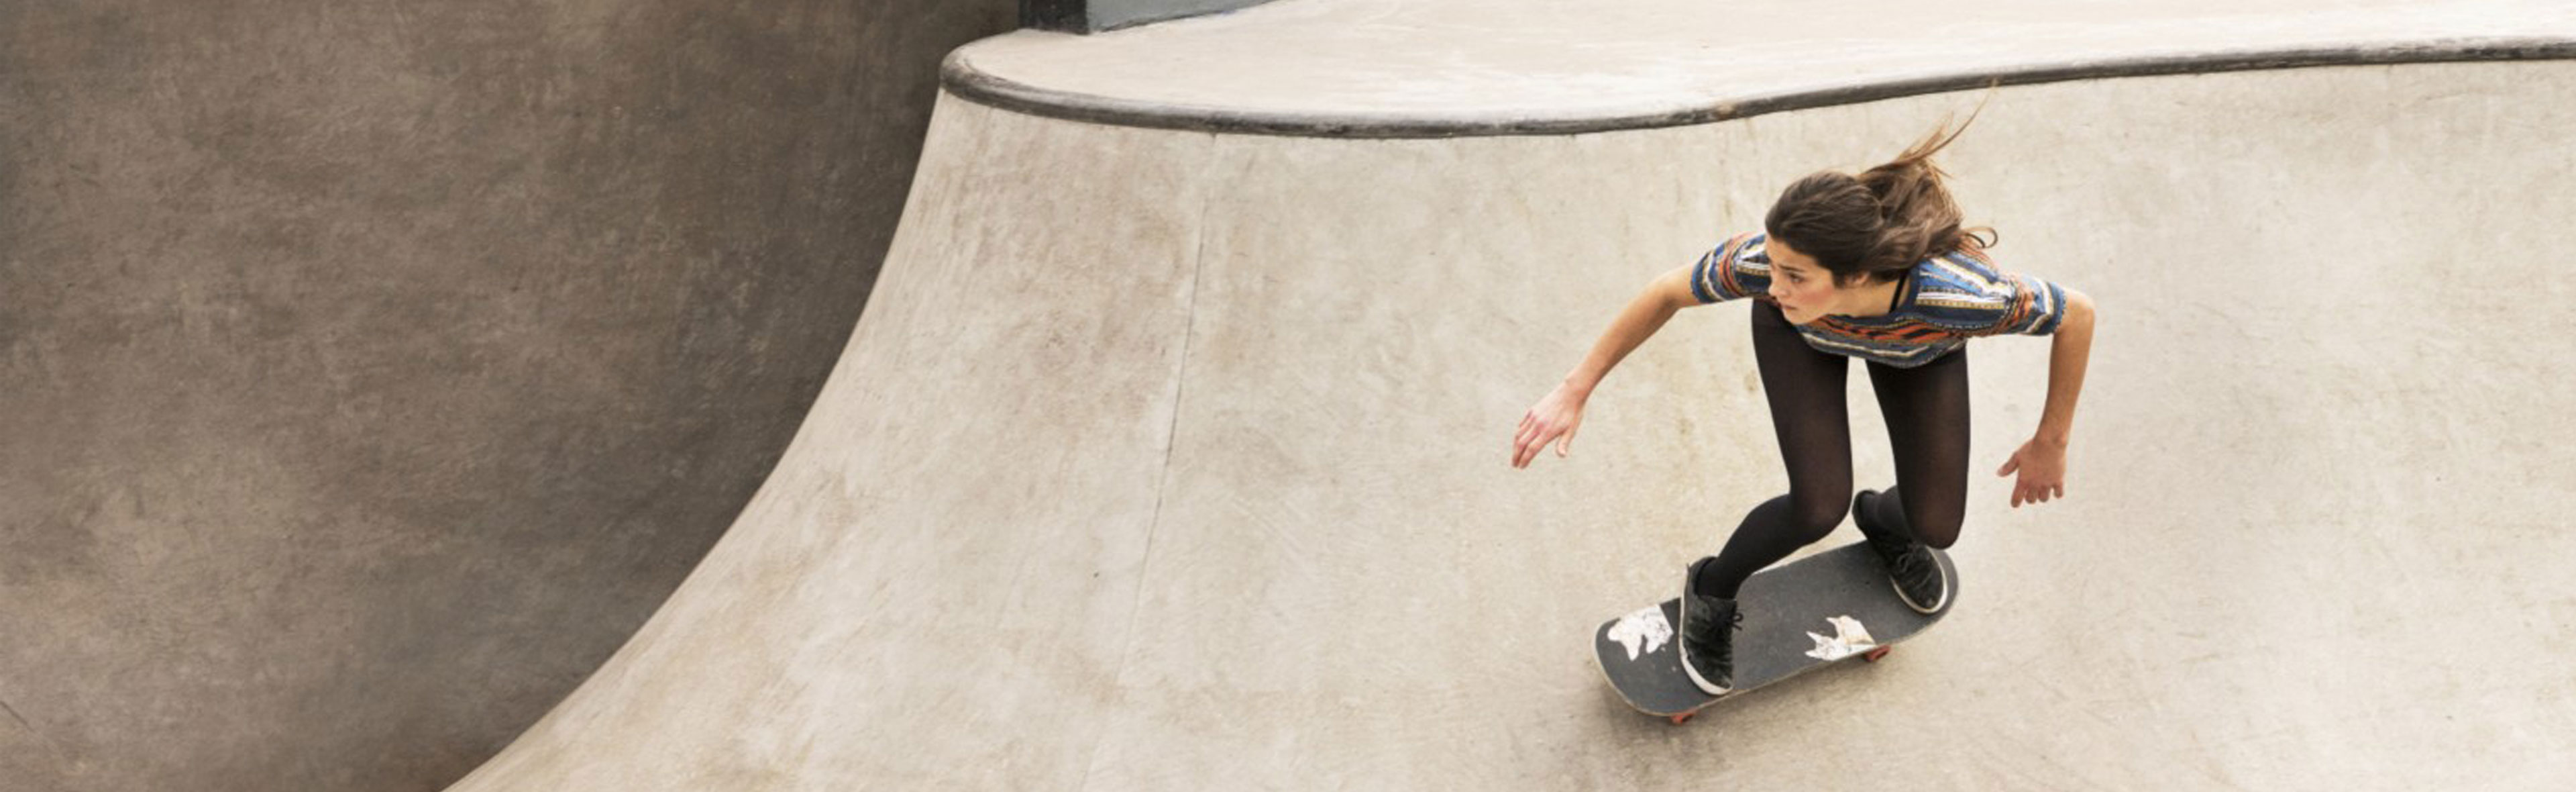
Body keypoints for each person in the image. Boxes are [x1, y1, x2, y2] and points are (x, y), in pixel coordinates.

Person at [1509, 113, 2097, 695]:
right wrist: (1577, 387)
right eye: (1774, 265)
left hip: (1920, 352)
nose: (1773, 284)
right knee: (1817, 505)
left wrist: (2052, 440)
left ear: (1859, 274)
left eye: (1795, 275)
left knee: (1936, 526)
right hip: (1802, 339)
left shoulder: (1960, 295)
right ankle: (1712, 589)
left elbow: (2077, 315)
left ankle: (1882, 520)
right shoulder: (1768, 274)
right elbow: (1667, 292)